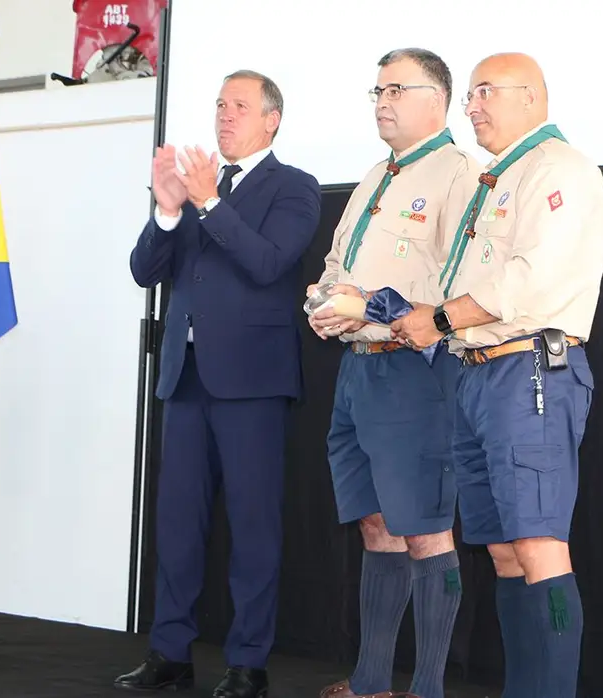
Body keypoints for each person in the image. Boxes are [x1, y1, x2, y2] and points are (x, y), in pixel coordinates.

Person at [391, 52, 603, 698]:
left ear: (532, 98)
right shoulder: (494, 179)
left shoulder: (561, 169)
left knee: (540, 548)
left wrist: (440, 319)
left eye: (486, 92)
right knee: (505, 553)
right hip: (478, 374)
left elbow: (529, 281)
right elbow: (462, 278)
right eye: (472, 95)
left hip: (530, 374)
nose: (473, 106)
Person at [117, 69, 322, 698]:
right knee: (176, 523)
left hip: (253, 383)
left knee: (253, 525)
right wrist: (168, 210)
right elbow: (143, 271)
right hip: (185, 377)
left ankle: (247, 662)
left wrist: (208, 202)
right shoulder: (194, 185)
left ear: (271, 120)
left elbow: (268, 264)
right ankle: (169, 651)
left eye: (239, 105)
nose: (224, 115)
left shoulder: (294, 187)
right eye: (219, 104)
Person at [306, 48, 480, 698]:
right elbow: (336, 264)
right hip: (359, 372)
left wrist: (371, 306)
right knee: (376, 526)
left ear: (435, 98)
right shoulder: (375, 175)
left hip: (418, 375)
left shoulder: (460, 176)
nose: (381, 101)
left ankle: (428, 688)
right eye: (375, 90)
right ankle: (373, 681)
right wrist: (325, 304)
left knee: (427, 531)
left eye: (395, 89)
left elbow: (468, 290)